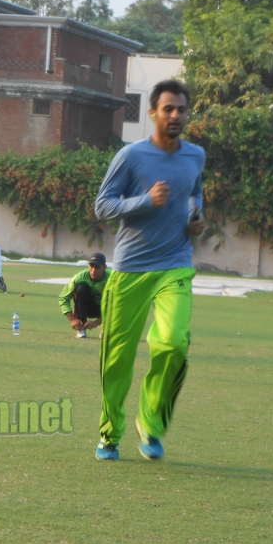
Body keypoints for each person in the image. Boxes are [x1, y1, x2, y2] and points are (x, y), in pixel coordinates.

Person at [93, 79, 205, 461]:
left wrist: (197, 217)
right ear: (153, 112)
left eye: (182, 109)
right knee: (117, 361)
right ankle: (110, 434)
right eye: (168, 109)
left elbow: (195, 192)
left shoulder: (195, 156)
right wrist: (145, 200)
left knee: (173, 343)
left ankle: (152, 424)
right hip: (130, 270)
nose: (176, 115)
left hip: (175, 265)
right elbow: (103, 206)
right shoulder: (130, 156)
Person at [58, 253, 111, 339]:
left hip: (105, 310)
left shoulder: (112, 279)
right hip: (86, 308)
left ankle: (105, 325)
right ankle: (81, 327)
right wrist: (72, 319)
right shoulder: (80, 277)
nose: (93, 270)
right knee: (81, 288)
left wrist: (97, 322)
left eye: (97, 267)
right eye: (91, 266)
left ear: (104, 267)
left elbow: (119, 304)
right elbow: (63, 298)